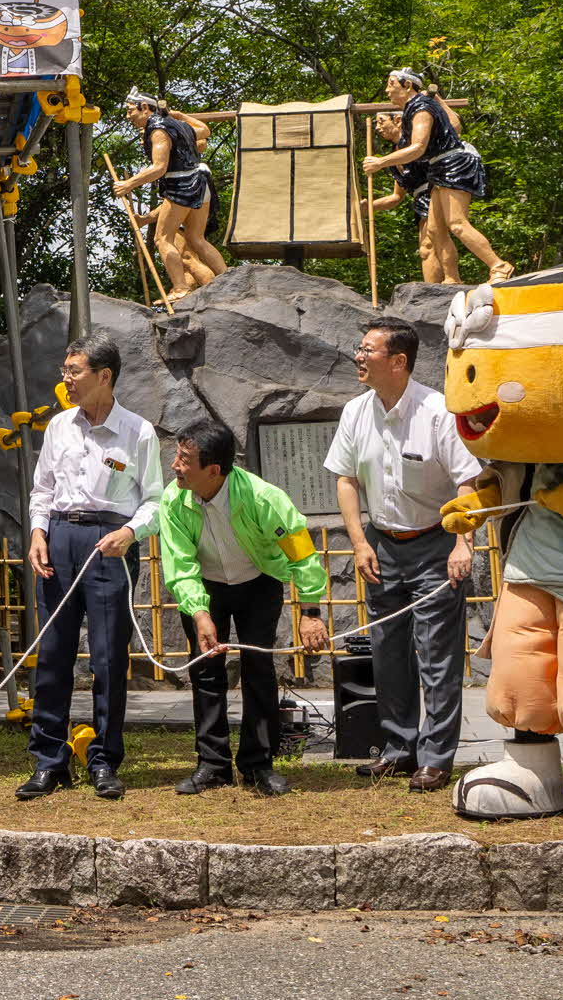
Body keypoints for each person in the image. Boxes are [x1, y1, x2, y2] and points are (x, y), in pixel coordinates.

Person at [323, 317, 482, 791]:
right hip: (381, 545)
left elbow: (468, 482)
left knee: (437, 656)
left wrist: (463, 542)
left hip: (435, 543)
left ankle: (435, 757)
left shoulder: (437, 410)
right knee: (387, 652)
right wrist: (358, 542)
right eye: (359, 347)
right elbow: (346, 478)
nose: (358, 356)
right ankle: (397, 749)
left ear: (399, 361)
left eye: (367, 350)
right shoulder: (355, 411)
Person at [19, 331, 164, 801]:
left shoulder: (138, 431)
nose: (66, 380)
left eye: (74, 371)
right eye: (65, 371)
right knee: (54, 653)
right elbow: (42, 489)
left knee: (107, 657)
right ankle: (49, 761)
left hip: (110, 545)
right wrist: (38, 532)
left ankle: (103, 759)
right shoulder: (59, 426)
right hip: (59, 540)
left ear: (105, 376)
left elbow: (157, 501)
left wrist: (130, 533)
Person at [158, 418, 331, 796]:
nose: (175, 466)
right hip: (206, 588)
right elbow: (179, 563)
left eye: (185, 459)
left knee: (259, 669)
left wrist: (311, 611)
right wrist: (198, 611)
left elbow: (302, 553)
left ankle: (258, 765)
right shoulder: (173, 498)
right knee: (206, 671)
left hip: (259, 583)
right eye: (177, 455)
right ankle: (212, 765)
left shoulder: (263, 498)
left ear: (214, 470)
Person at [361, 69, 513, 283]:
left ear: (407, 86)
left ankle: (499, 267)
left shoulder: (421, 107)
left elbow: (418, 147)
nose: (387, 90)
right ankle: (452, 280)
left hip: (453, 163)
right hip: (438, 168)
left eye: (391, 83)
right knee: (434, 230)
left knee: (457, 223)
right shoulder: (411, 113)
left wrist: (380, 162)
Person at [114, 90, 227, 298]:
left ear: (145, 108)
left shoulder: (157, 128)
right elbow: (204, 130)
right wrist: (181, 116)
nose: (128, 116)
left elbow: (159, 167)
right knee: (196, 238)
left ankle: (180, 288)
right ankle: (229, 280)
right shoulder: (179, 125)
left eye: (131, 111)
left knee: (163, 239)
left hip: (182, 185)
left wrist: (128, 184)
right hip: (200, 184)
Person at [368, 112, 452, 284]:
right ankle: (433, 289)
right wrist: (368, 206)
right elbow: (396, 197)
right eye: (376, 123)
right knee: (425, 249)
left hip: (435, 190)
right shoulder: (392, 157)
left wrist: (380, 162)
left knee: (433, 241)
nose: (377, 127)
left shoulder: (417, 141)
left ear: (398, 120)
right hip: (420, 199)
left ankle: (448, 282)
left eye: (381, 121)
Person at [135, 199, 217, 298]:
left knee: (187, 259)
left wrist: (146, 219)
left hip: (185, 214)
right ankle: (187, 297)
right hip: (198, 207)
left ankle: (214, 294)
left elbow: (174, 199)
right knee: (185, 266)